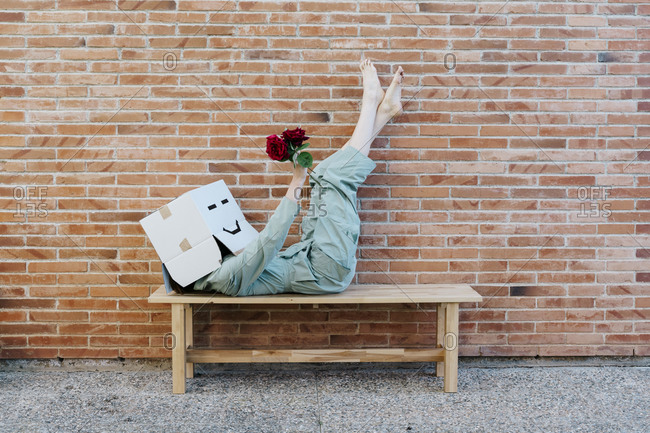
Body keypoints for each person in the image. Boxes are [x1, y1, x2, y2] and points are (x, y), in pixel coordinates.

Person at [192, 59, 404, 296]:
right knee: (334, 178)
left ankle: (384, 112)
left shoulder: (217, 268)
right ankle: (371, 100)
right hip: (325, 269)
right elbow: (270, 241)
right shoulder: (223, 278)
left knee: (322, 176)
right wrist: (296, 182)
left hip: (312, 254)